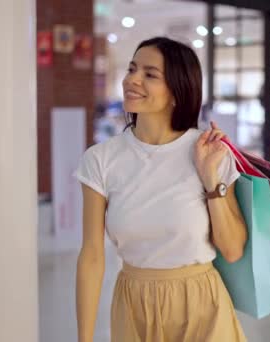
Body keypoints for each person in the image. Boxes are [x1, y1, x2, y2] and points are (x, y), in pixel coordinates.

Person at [74, 37, 248, 342]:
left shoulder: (208, 152)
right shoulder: (100, 160)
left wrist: (211, 181)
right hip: (133, 306)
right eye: (132, 69)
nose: (132, 79)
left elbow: (232, 250)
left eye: (150, 74)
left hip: (202, 305)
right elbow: (91, 256)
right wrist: (84, 338)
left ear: (177, 93)